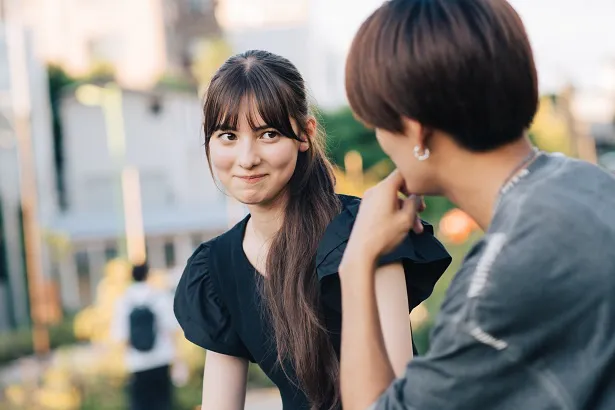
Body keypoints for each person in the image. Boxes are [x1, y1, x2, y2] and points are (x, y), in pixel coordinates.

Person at [338, 0, 615, 409]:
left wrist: (357, 261)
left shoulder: (501, 279)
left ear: (415, 130)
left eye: (376, 123)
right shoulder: (584, 180)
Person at [173, 49, 452, 410]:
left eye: (268, 134)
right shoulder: (216, 267)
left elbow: (399, 393)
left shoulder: (363, 228)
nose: (246, 157)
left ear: (304, 135)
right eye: (227, 135)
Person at [111, 262, 178, 410]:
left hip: (137, 363)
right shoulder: (160, 296)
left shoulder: (123, 301)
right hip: (161, 359)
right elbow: (171, 329)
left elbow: (120, 336)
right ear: (148, 275)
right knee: (163, 403)